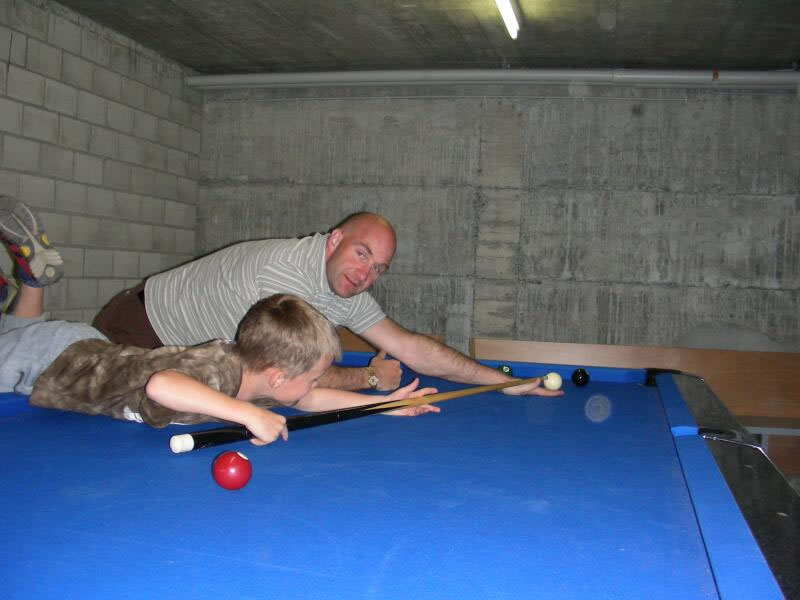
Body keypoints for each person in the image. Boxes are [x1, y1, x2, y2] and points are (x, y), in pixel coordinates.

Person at [0, 198, 439, 445]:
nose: (313, 385)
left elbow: (309, 400)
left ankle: (32, 282)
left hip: (77, 348)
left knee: (16, 332)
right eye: (311, 376)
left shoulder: (263, 380)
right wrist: (247, 414)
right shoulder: (221, 370)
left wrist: (384, 404)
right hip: (54, 362)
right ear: (277, 374)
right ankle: (29, 284)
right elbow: (162, 385)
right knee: (17, 344)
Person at [93, 212, 564, 399]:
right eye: (361, 254)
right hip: (139, 331)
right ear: (335, 240)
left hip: (189, 358)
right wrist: (372, 379)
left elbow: (410, 347)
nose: (365, 273)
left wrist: (501, 381)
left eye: (378, 267)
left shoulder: (343, 287)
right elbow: (291, 377)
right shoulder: (284, 278)